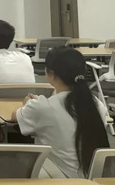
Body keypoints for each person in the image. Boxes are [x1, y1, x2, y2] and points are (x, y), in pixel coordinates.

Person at [13, 46, 109, 178]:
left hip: (58, 178)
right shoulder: (97, 104)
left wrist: (28, 104)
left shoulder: (42, 107)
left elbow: (15, 116)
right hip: (92, 178)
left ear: (50, 73)